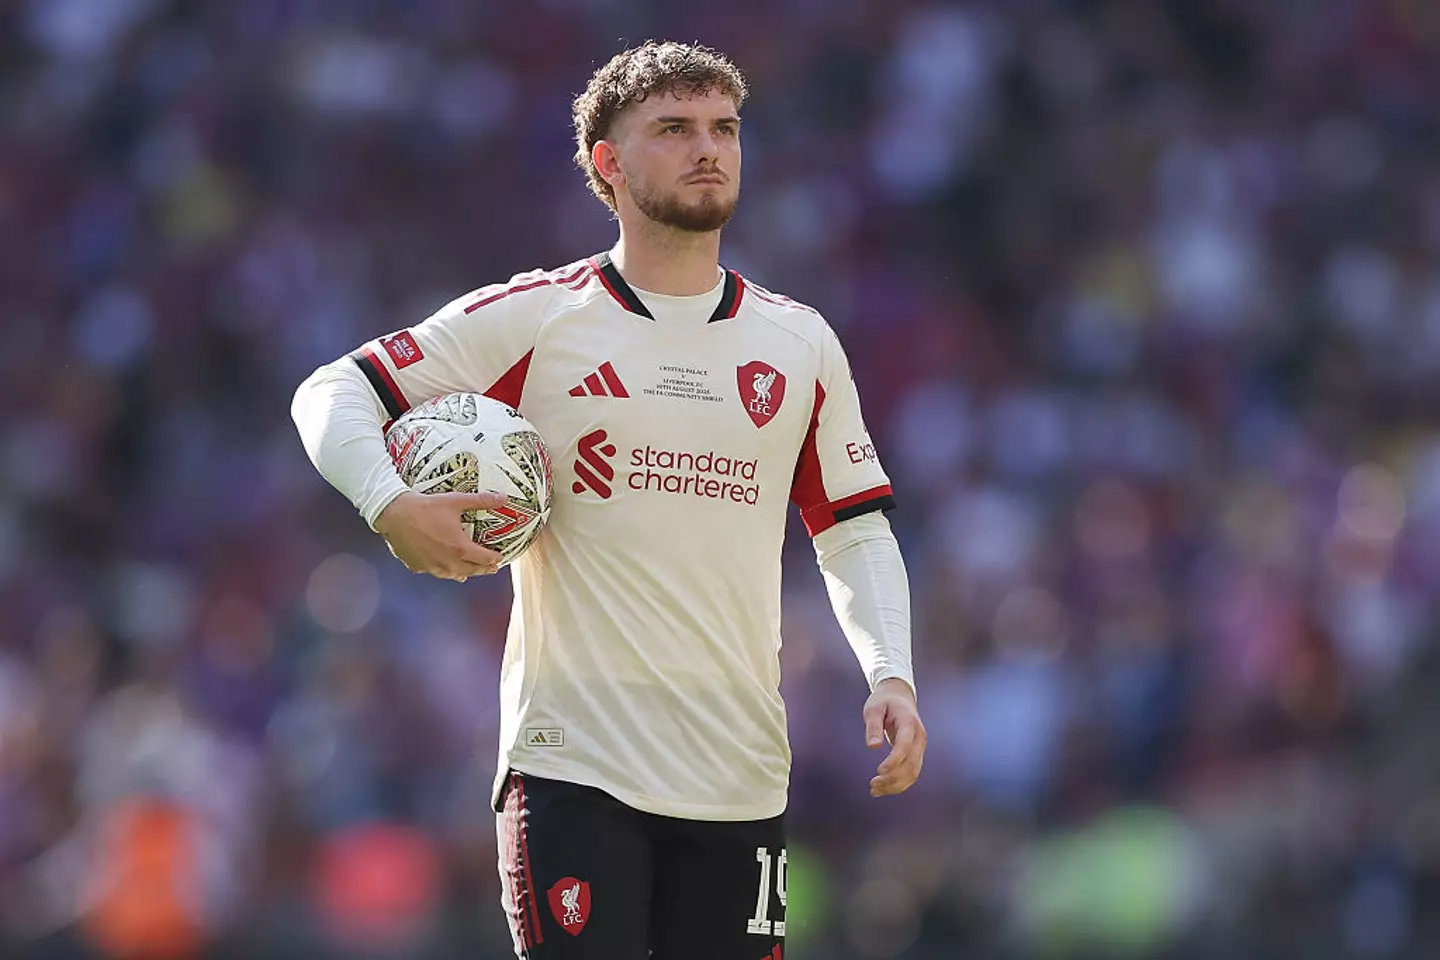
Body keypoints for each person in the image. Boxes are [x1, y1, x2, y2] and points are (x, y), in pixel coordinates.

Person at [292, 40, 925, 959]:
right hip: (573, 767)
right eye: (673, 129)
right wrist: (389, 502)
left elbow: (854, 528)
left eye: (724, 128)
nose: (707, 148)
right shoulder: (541, 318)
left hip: (739, 774)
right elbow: (333, 390)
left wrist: (892, 672)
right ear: (609, 163)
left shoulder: (800, 344)